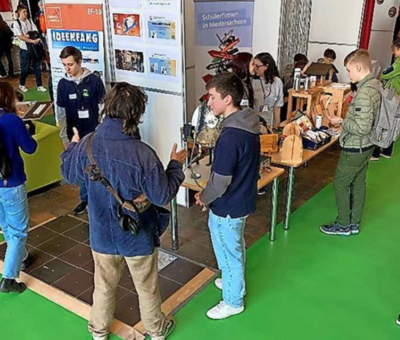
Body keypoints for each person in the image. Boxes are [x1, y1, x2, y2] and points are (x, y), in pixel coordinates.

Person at [61, 82, 187, 340]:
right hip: (137, 233)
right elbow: (162, 194)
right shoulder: (143, 153)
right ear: (137, 114)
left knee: (103, 286)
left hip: (101, 232)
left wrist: (72, 146)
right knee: (147, 286)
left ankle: (99, 331)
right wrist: (175, 165)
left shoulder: (87, 144)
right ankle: (157, 330)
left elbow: (68, 173)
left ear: (106, 107)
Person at [195, 73, 260, 320]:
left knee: (227, 249)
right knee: (235, 245)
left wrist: (204, 196)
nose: (209, 103)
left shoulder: (231, 136)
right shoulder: (248, 123)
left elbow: (220, 181)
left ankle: (233, 301)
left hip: (227, 206)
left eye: (212, 97)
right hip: (242, 200)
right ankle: (233, 280)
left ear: (228, 98)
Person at [320, 49, 381, 236]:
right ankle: (354, 223)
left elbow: (362, 127)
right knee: (358, 183)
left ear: (358, 67)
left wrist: (342, 122)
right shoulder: (376, 84)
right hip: (368, 145)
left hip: (356, 146)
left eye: (348, 70)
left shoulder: (364, 92)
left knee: (340, 184)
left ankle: (343, 224)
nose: (347, 74)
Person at [56, 46, 106, 215]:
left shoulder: (94, 81)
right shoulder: (63, 84)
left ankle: (100, 200)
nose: (67, 69)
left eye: (70, 64)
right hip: (74, 136)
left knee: (97, 168)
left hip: (93, 133)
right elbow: (60, 113)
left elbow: (103, 109)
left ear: (79, 62)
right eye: (64, 65)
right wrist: (65, 138)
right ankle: (84, 200)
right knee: (80, 169)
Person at [0, 82, 37, 293]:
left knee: (6, 225)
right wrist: (24, 128)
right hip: (10, 182)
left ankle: (21, 257)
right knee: (18, 231)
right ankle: (9, 278)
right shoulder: (11, 120)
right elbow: (30, 148)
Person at [371, 38, 400, 161]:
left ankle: (376, 152)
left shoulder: (398, 63)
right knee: (394, 122)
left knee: (383, 119)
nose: (394, 53)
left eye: (395, 51)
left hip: (392, 96)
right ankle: (387, 150)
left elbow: (385, 73)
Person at [13, 4, 46, 93]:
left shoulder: (30, 21)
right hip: (24, 49)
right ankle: (21, 84)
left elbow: (35, 32)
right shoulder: (17, 23)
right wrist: (31, 40)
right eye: (24, 12)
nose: (26, 13)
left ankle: (39, 85)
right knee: (25, 68)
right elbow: (21, 37)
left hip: (34, 48)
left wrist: (29, 35)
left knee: (37, 66)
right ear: (19, 12)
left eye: (26, 11)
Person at [250, 52, 284, 127]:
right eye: (253, 66)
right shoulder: (252, 81)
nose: (255, 69)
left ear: (267, 66)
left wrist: (276, 127)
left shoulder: (277, 82)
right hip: (253, 122)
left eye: (257, 66)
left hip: (269, 122)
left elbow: (277, 107)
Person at [0, 14, 14, 78]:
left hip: (1, 45)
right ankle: (11, 73)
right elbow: (11, 34)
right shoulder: (4, 24)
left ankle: (3, 73)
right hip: (8, 44)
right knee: (9, 59)